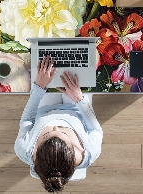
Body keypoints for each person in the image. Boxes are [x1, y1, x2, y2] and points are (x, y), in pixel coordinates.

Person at [15, 55, 103, 192]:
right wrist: (79, 99)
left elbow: (27, 120)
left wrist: (39, 87)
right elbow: (95, 130)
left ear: (36, 152)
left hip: (44, 109)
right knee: (78, 67)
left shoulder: (24, 150)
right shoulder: (90, 152)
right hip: (76, 108)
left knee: (44, 70)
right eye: (63, 133)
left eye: (47, 134)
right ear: (75, 150)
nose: (55, 126)